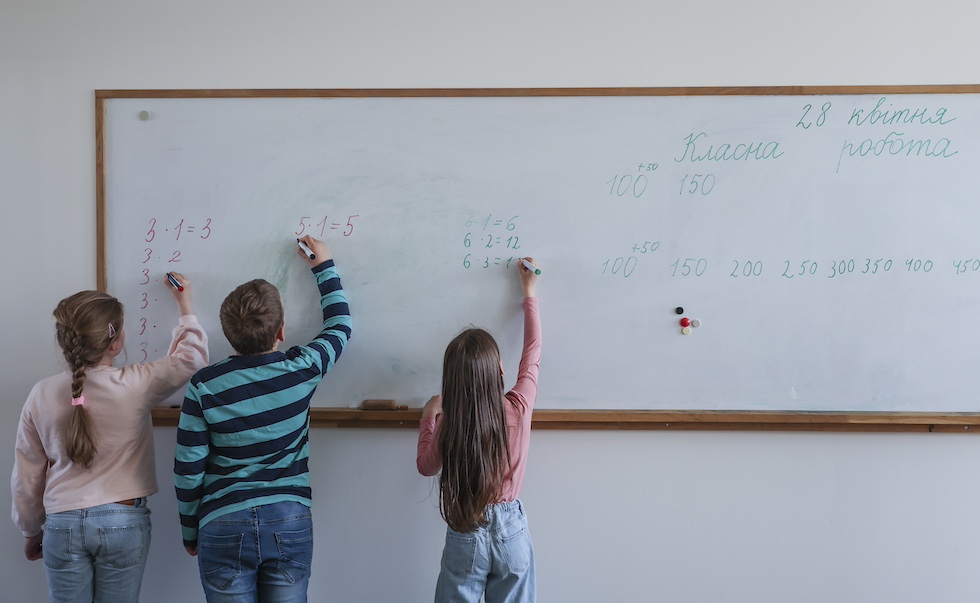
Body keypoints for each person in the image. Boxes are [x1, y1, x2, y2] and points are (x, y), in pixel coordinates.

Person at [173, 235, 352, 603]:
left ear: (227, 333)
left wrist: (190, 531)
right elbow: (340, 326)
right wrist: (323, 266)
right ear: (282, 331)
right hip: (289, 519)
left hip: (222, 522)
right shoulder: (301, 369)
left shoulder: (205, 386)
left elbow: (188, 468)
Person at [11, 273, 208, 603]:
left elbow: (27, 476)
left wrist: (31, 530)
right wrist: (184, 302)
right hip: (123, 522)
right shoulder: (135, 383)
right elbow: (192, 359)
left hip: (61, 524)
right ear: (115, 343)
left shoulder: (40, 394)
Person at [417, 257, 542, 603]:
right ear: (499, 369)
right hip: (511, 531)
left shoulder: (450, 421)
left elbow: (427, 466)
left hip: (466, 528)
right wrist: (529, 293)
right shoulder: (518, 406)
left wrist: (429, 416)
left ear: (452, 381)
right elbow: (532, 354)